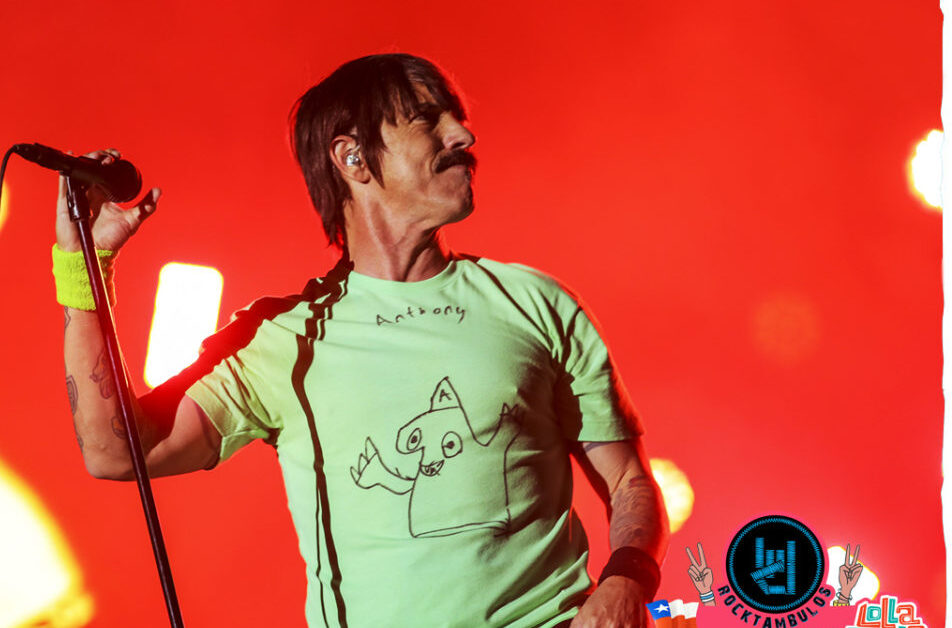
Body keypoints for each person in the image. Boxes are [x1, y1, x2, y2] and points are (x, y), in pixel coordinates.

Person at [54, 53, 668, 627]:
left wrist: (625, 582)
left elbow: (628, 482)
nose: (463, 136)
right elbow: (114, 453)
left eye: (458, 118)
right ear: (352, 157)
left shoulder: (536, 302)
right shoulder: (283, 338)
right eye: (429, 119)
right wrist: (84, 264)